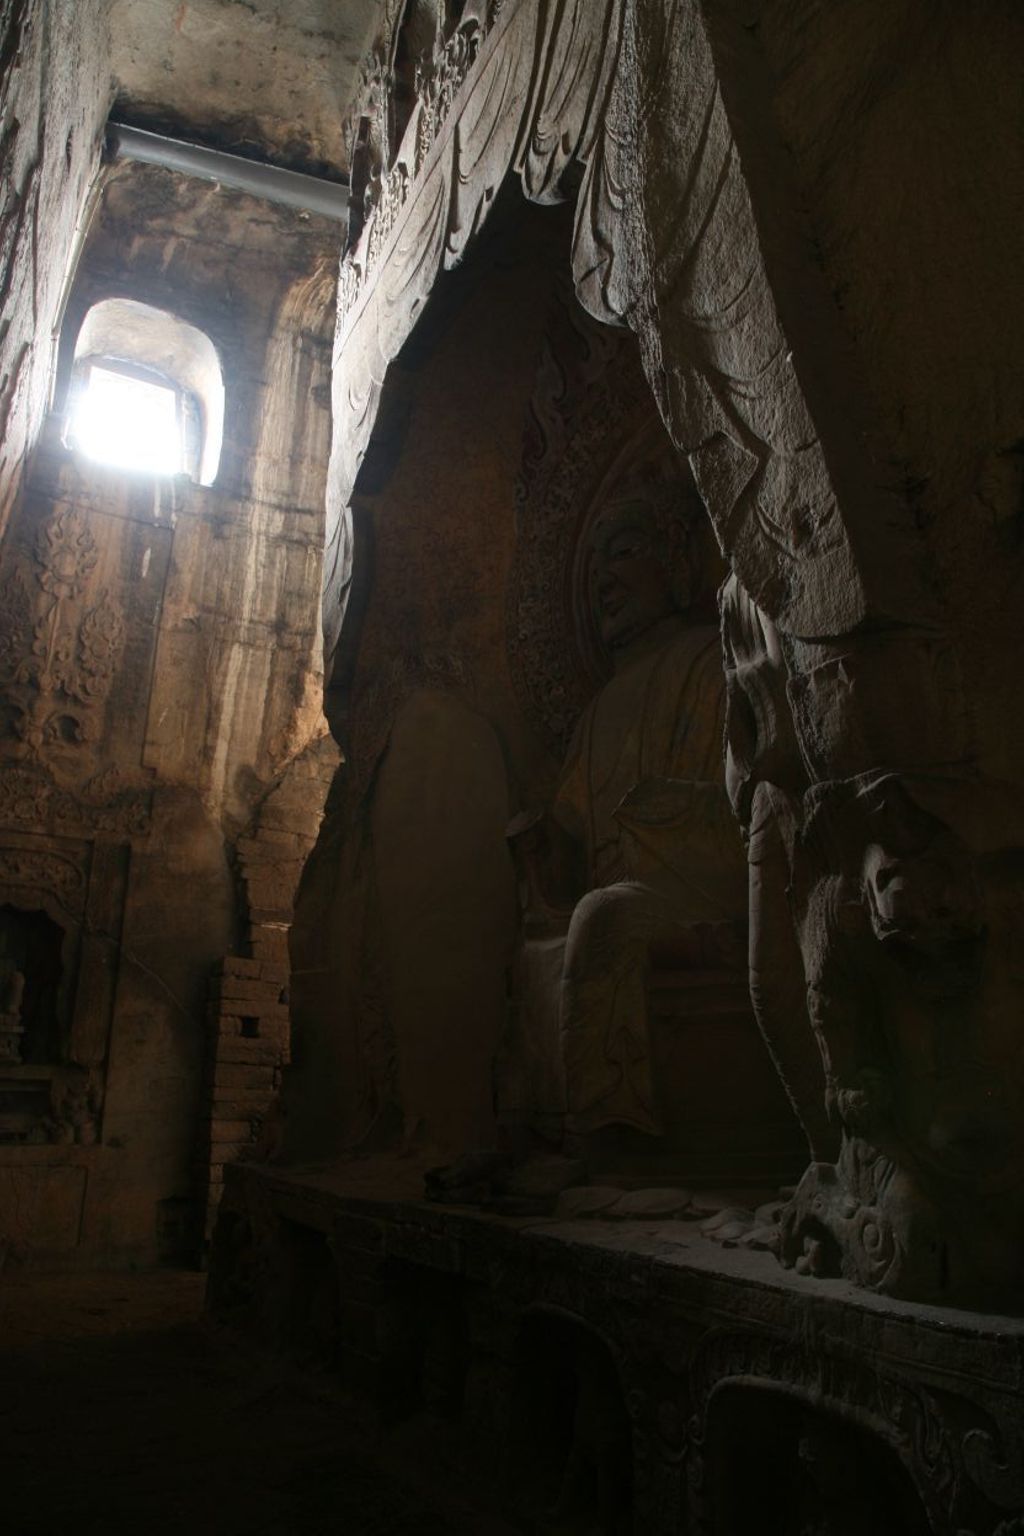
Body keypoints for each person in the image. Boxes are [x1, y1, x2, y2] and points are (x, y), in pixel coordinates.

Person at [508, 496, 746, 1139]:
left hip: (694, 893)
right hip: (611, 896)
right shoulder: (596, 713)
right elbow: (573, 841)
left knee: (604, 918)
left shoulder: (708, 663)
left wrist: (661, 817)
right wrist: (543, 845)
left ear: (675, 564)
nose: (605, 582)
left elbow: (736, 807)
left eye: (623, 554)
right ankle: (541, 1128)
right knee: (533, 949)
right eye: (592, 574)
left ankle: (614, 1131)